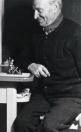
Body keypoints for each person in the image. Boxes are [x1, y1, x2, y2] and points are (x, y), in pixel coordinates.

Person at [14, 0, 81, 132]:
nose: (34, 16)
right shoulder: (35, 32)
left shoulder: (76, 33)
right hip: (43, 95)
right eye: (34, 10)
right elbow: (20, 58)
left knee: (49, 127)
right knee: (21, 123)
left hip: (70, 97)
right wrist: (31, 65)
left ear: (55, 7)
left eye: (39, 10)